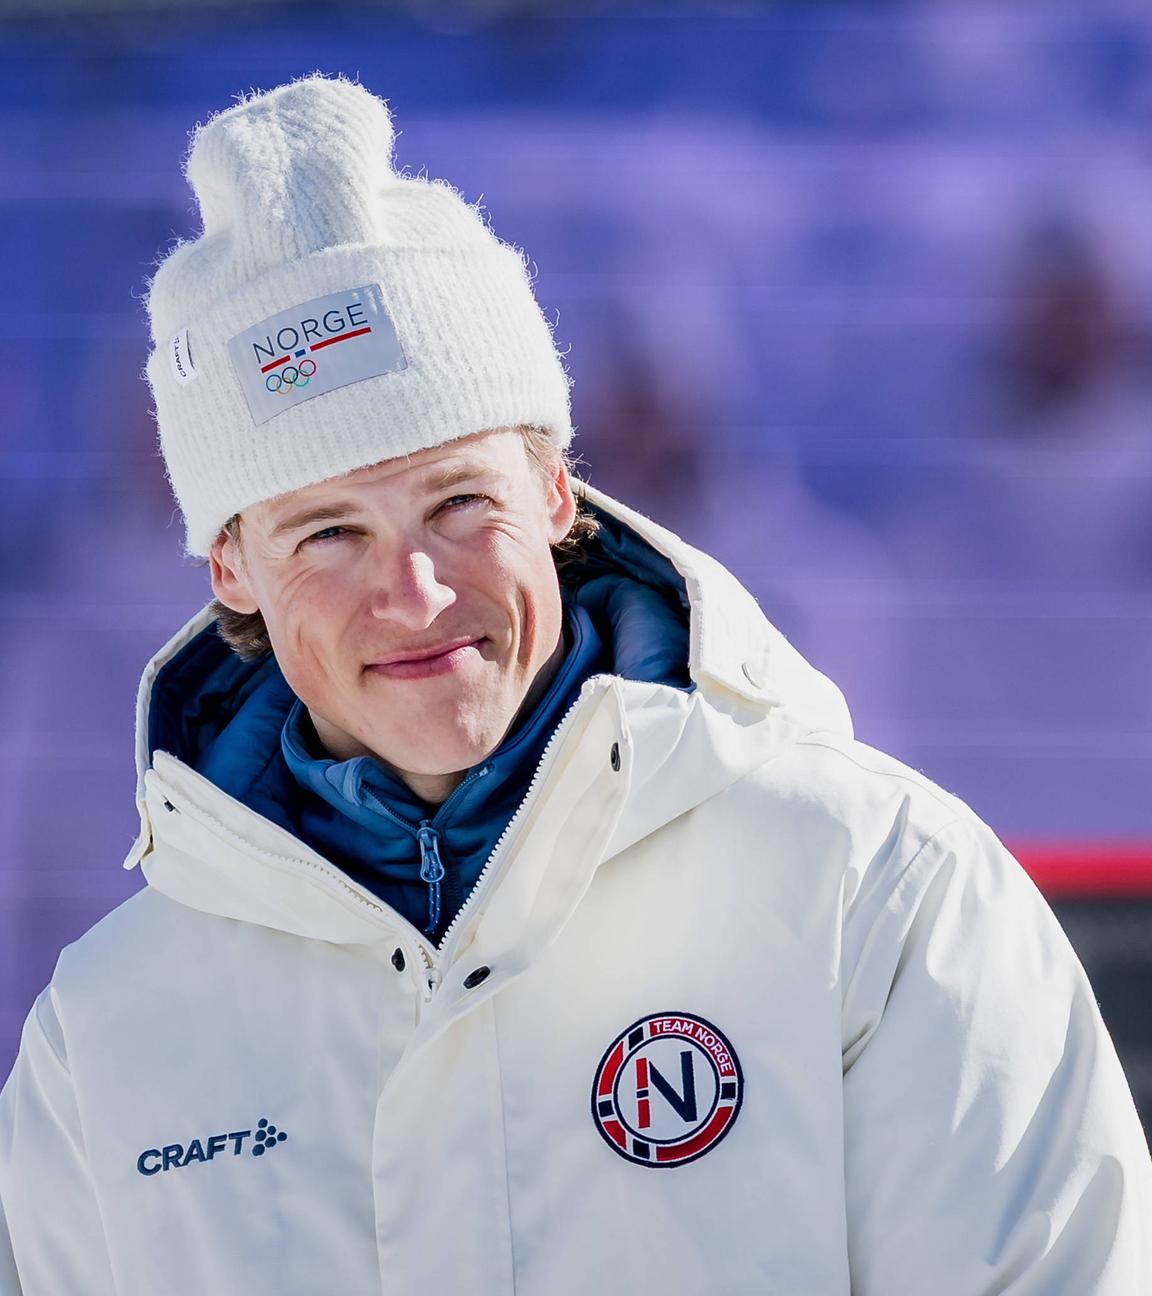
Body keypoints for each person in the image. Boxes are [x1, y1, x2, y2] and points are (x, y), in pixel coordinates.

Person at [0, 75, 1148, 1296]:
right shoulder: (108, 1039)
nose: (417, 595)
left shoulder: (875, 892)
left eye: (459, 504)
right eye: (328, 534)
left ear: (556, 492)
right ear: (230, 567)